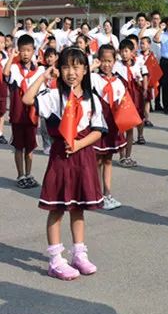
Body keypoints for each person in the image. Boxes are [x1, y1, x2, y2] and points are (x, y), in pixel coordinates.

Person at [22, 48, 106, 280]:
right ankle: (56, 260)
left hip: (83, 156)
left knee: (78, 207)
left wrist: (79, 145)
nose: (71, 72)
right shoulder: (53, 96)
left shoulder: (92, 99)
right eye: (66, 67)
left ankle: (79, 253)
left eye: (77, 66)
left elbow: (99, 131)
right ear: (59, 70)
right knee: (57, 207)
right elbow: (27, 99)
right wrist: (43, 76)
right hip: (61, 157)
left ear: (85, 70)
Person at [2, 34, 46, 188]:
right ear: (18, 51)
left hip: (32, 115)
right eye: (22, 51)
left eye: (28, 50)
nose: (25, 53)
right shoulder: (14, 68)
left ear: (33, 50)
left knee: (30, 147)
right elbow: (5, 74)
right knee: (19, 147)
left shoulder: (39, 71)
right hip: (17, 115)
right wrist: (10, 56)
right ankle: (20, 175)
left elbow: (42, 92)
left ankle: (29, 173)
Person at [91, 45, 127, 211]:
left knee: (108, 160)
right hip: (99, 124)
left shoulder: (118, 81)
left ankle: (108, 193)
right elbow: (82, 79)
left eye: (109, 61)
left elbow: (123, 104)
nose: (106, 64)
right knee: (97, 159)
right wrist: (93, 66)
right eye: (103, 61)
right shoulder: (94, 78)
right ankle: (96, 194)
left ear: (115, 61)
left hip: (113, 124)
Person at [114, 39, 148, 167]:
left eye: (126, 51)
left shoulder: (137, 64)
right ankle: (122, 156)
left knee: (129, 129)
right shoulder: (117, 66)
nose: (124, 54)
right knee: (120, 129)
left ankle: (128, 156)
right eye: (122, 51)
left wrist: (141, 85)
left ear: (132, 52)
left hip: (134, 99)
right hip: (121, 100)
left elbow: (142, 79)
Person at [39, 48, 59, 155]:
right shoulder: (42, 69)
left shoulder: (59, 69)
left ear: (56, 57)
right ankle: (46, 145)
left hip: (56, 100)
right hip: (45, 98)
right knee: (43, 124)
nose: (49, 59)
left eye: (51, 56)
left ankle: (55, 144)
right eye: (47, 57)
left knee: (55, 123)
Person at [0, 32, 8, 144]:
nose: (2, 44)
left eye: (3, 42)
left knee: (1, 112)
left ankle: (0, 133)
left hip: (2, 87)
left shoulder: (6, 56)